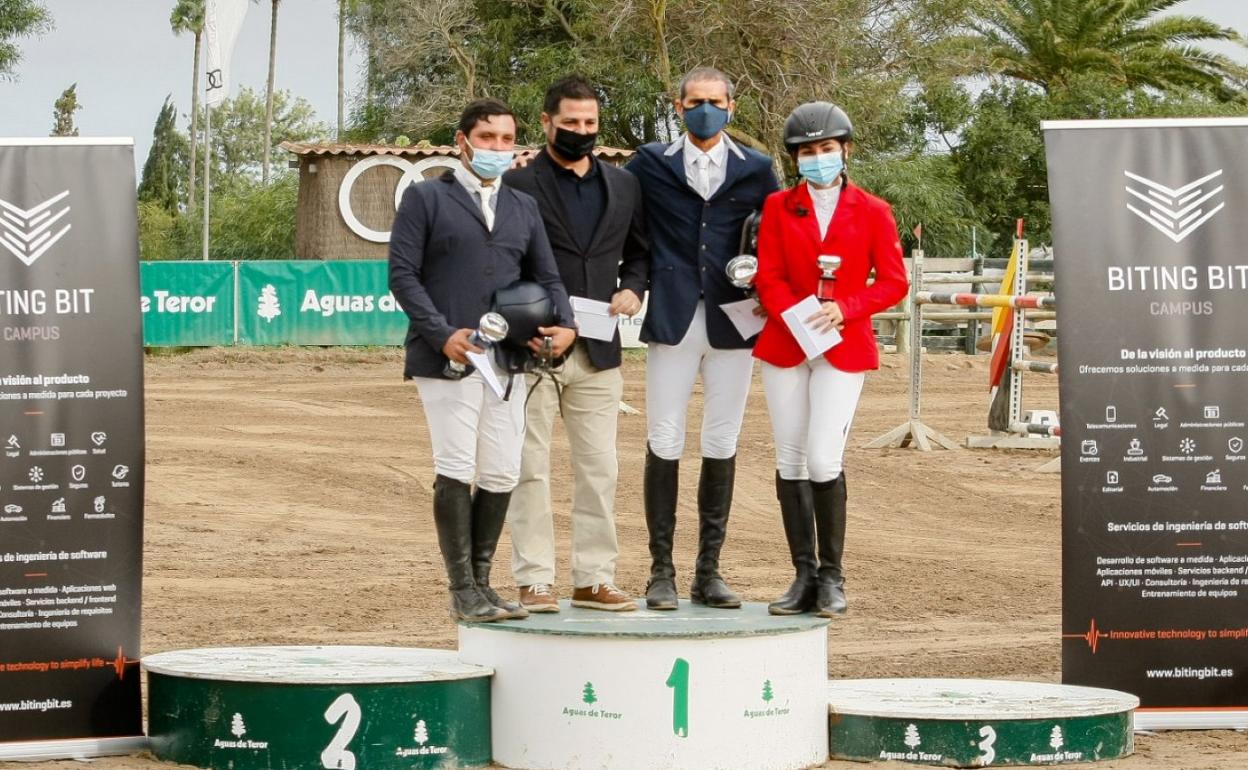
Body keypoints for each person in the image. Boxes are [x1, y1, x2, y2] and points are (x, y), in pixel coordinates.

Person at [388, 98, 577, 623]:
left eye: (505, 139)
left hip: (509, 359)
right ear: (462, 140)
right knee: (455, 465)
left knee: (501, 470)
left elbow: (549, 275)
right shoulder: (426, 198)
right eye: (487, 138)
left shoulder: (523, 206)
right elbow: (403, 276)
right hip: (449, 356)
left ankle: (484, 583)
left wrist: (566, 324)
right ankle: (461, 588)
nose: (497, 147)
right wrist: (443, 333)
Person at [625, 67, 779, 610]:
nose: (705, 110)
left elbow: (775, 235)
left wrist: (768, 286)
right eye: (695, 102)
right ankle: (660, 570)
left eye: (715, 101)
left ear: (731, 107)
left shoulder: (758, 168)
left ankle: (708, 570)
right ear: (679, 104)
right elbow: (633, 231)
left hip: (734, 315)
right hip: (672, 314)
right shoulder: (649, 163)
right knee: (664, 437)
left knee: (721, 439)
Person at [752, 102, 908, 617]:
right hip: (787, 342)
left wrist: (847, 308)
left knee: (823, 457)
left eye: (825, 150)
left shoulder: (874, 210)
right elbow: (768, 274)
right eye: (807, 153)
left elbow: (892, 282)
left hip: (842, 343)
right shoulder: (778, 207)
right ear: (795, 158)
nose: (817, 159)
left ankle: (833, 575)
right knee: (790, 457)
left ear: (845, 151)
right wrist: (794, 314)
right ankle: (803, 575)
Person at [502, 76, 649, 613]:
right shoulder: (517, 186)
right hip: (534, 348)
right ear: (546, 123)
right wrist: (535, 324)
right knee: (529, 467)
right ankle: (535, 578)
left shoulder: (625, 186)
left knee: (599, 468)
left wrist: (634, 288)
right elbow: (505, 264)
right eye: (570, 124)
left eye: (589, 124)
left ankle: (594, 578)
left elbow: (639, 253)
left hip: (599, 352)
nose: (581, 132)